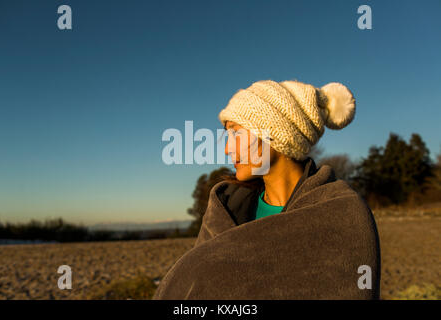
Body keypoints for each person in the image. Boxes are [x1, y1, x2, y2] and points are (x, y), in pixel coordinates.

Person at [153, 79, 381, 300]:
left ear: (275, 134)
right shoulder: (224, 209)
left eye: (236, 133)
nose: (226, 148)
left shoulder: (342, 214)